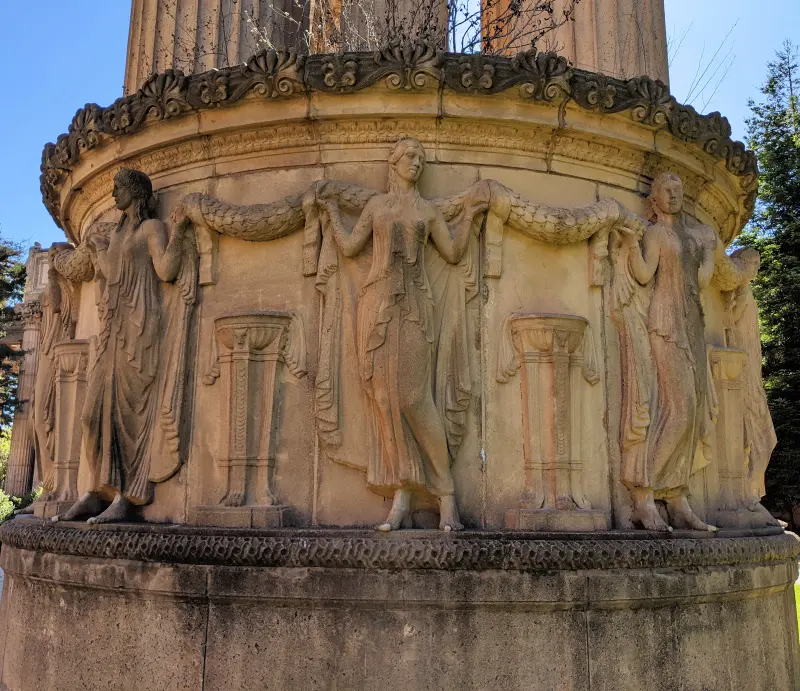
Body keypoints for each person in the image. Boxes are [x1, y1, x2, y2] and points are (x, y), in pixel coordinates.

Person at [318, 139, 489, 531]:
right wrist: (330, 213)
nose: (417, 163)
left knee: (413, 398)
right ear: (393, 163)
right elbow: (349, 246)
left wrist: (469, 218)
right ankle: (402, 495)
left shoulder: (427, 211)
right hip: (375, 305)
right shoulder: (377, 207)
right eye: (410, 157)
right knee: (383, 399)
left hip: (415, 306)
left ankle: (447, 497)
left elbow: (452, 254)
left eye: (421, 159)